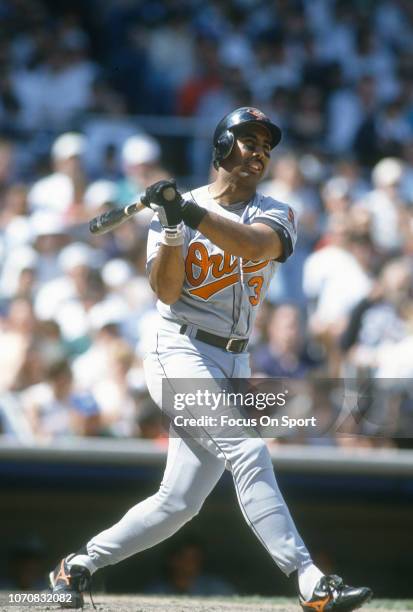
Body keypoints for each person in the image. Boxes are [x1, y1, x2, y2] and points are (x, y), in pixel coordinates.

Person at [49, 107, 372, 611]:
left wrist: (189, 212)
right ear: (221, 146)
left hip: (234, 359)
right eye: (248, 140)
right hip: (178, 347)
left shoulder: (278, 211)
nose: (259, 151)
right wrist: (174, 225)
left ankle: (78, 565)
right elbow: (166, 288)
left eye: (266, 144)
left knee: (178, 503)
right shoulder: (178, 210)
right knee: (247, 451)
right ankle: (311, 581)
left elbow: (254, 245)